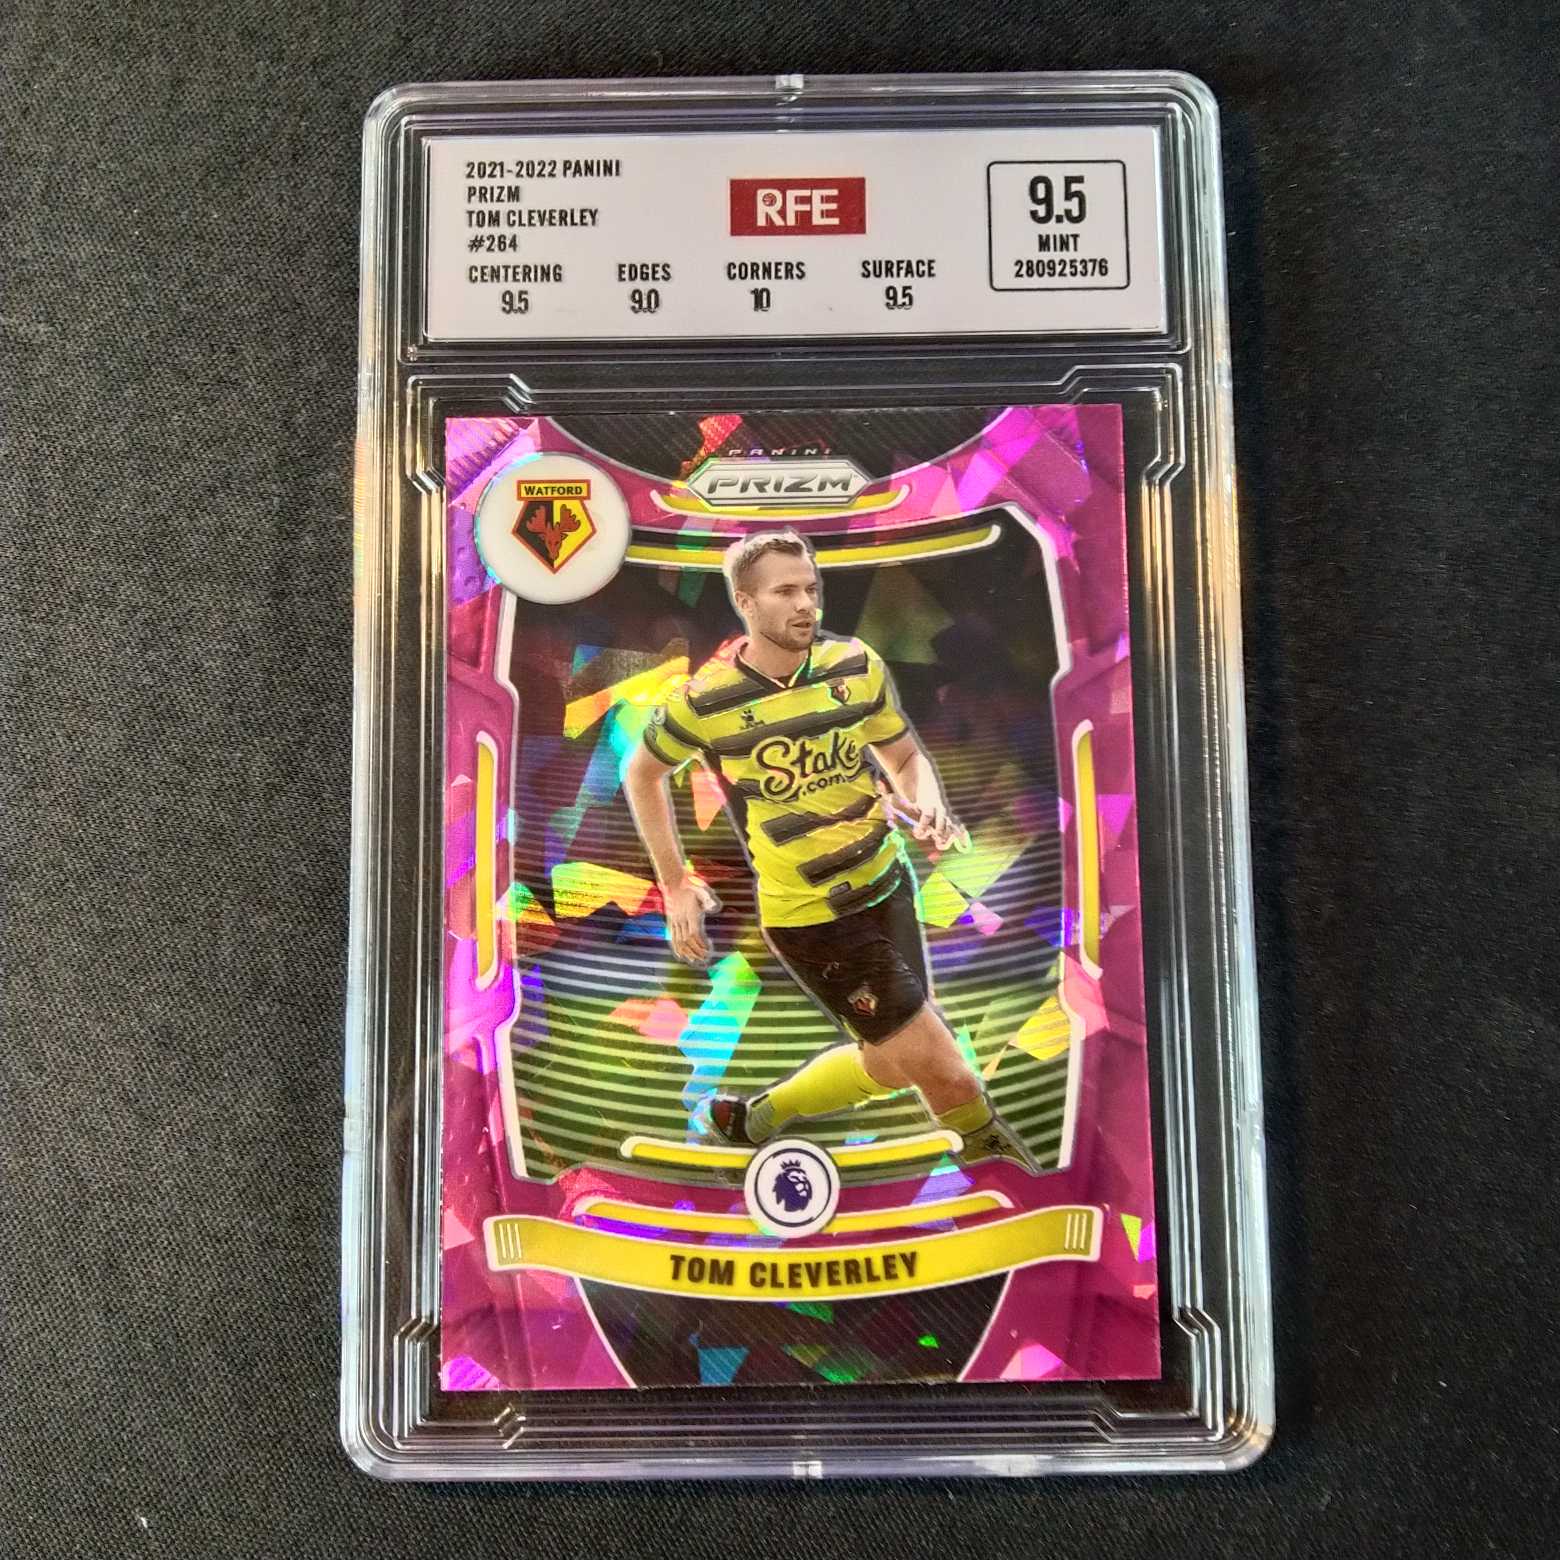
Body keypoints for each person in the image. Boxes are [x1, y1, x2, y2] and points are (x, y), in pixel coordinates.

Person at [622, 529, 1038, 1172]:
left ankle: (754, 1118)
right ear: (745, 602)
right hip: (815, 918)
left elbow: (903, 754)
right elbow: (642, 774)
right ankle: (1003, 1173)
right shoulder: (703, 700)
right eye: (785, 591)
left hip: (889, 885)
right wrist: (675, 881)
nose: (805, 605)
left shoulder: (855, 663)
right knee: (950, 1075)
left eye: (811, 589)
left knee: (894, 1063)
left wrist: (927, 801)